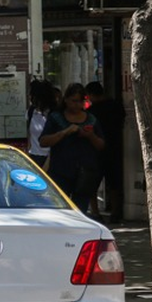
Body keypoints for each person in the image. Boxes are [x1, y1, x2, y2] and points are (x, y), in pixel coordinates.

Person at [40, 83, 106, 212]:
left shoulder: (91, 119)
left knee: (80, 209)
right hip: (61, 171)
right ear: (66, 100)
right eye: (74, 101)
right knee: (61, 208)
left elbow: (101, 145)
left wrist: (90, 136)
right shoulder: (56, 118)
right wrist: (64, 132)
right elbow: (43, 141)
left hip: (85, 172)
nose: (77, 105)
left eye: (80, 101)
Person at [86, 81, 126, 223]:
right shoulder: (116, 106)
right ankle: (116, 212)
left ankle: (95, 213)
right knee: (114, 183)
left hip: (96, 150)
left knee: (92, 183)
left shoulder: (91, 112)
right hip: (114, 148)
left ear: (90, 95)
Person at [26, 79, 58, 169]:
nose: (29, 96)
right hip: (33, 156)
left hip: (49, 158)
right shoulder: (31, 111)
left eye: (31, 94)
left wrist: (47, 164)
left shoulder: (53, 114)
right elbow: (29, 135)